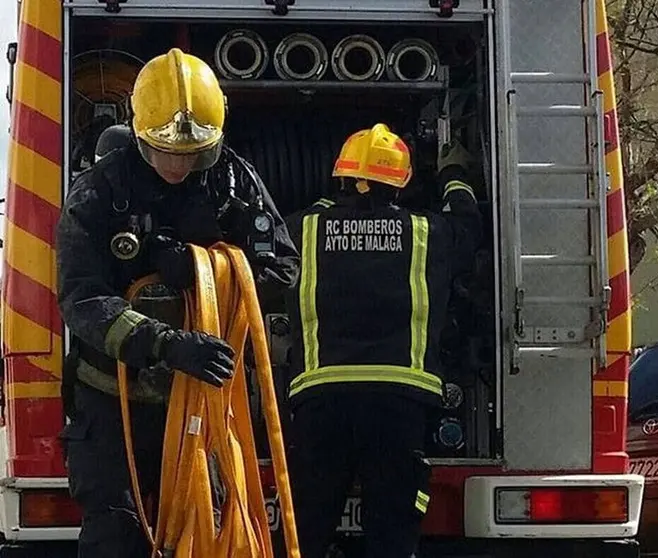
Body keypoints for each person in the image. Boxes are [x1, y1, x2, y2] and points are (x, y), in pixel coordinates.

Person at [55, 47, 300, 558]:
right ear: (139, 133)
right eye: (164, 151)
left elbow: (283, 268)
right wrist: (164, 343)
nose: (178, 163)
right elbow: (82, 299)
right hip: (115, 404)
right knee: (116, 535)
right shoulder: (100, 193)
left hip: (203, 403)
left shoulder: (233, 182)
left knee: (208, 529)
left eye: (193, 153)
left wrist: (208, 268)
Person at [285, 123, 481, 558]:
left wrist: (331, 202)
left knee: (305, 532)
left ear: (341, 178)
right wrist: (453, 174)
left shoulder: (305, 228)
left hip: (321, 402)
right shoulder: (427, 232)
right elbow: (468, 226)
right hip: (399, 403)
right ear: (401, 184)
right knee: (392, 534)